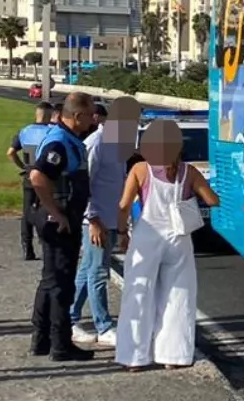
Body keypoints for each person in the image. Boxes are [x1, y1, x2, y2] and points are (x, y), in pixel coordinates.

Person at [114, 118, 219, 370]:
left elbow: (124, 205)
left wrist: (121, 233)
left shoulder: (140, 169)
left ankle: (134, 357)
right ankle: (174, 356)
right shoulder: (188, 171)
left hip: (146, 236)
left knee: (138, 295)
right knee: (179, 295)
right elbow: (212, 200)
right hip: (179, 238)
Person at [27, 93, 100, 361]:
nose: (94, 119)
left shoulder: (69, 140)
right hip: (58, 220)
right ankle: (60, 344)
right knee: (61, 283)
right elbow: (38, 175)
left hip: (60, 216)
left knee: (50, 280)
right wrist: (56, 213)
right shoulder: (59, 143)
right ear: (77, 116)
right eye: (90, 114)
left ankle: (41, 339)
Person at [70, 98, 140, 348]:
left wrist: (123, 226)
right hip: (95, 219)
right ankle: (103, 325)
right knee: (99, 272)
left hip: (111, 218)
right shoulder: (96, 143)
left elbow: (118, 187)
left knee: (88, 269)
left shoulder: (119, 146)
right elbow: (83, 183)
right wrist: (92, 218)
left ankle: (71, 316)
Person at [9, 102, 55, 261]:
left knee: (27, 211)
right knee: (47, 209)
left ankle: (26, 248)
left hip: (29, 174)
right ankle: (45, 242)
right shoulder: (52, 132)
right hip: (46, 177)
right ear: (49, 115)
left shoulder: (25, 131)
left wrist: (22, 165)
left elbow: (11, 152)